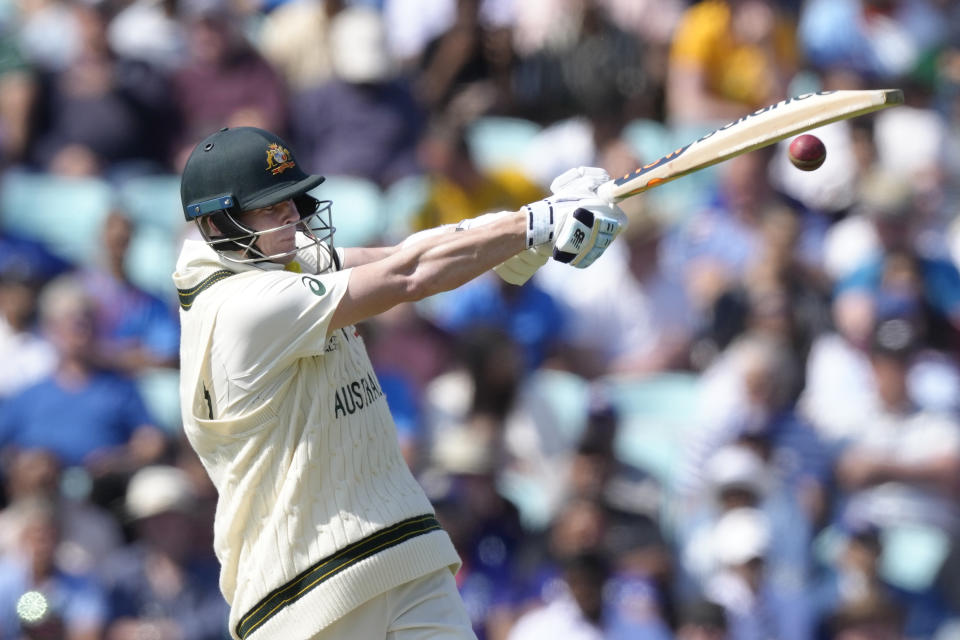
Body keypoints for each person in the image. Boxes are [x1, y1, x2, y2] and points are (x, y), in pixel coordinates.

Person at [173, 125, 626, 640]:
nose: (293, 218)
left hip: (404, 550)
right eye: (270, 208)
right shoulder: (238, 308)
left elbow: (398, 253)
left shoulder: (283, 264)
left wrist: (526, 227)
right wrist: (529, 225)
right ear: (216, 224)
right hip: (305, 590)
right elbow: (406, 277)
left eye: (292, 203)